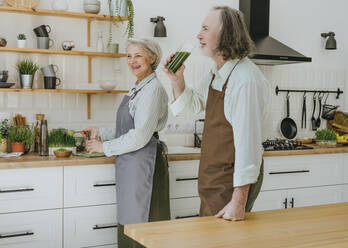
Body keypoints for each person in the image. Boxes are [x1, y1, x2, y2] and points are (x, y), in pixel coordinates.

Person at [164, 6, 270, 221]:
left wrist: (238, 201)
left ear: (226, 34)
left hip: (231, 183)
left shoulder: (245, 79)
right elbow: (191, 105)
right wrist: (177, 79)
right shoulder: (217, 73)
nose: (198, 35)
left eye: (205, 28)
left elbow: (248, 145)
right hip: (214, 179)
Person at [83, 38, 170, 247]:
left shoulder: (153, 90)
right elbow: (130, 128)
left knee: (144, 227)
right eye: (129, 56)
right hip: (133, 164)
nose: (132, 61)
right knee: (130, 224)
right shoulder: (138, 87)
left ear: (152, 58)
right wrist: (102, 133)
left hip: (145, 164)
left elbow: (140, 136)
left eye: (138, 55)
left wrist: (104, 147)